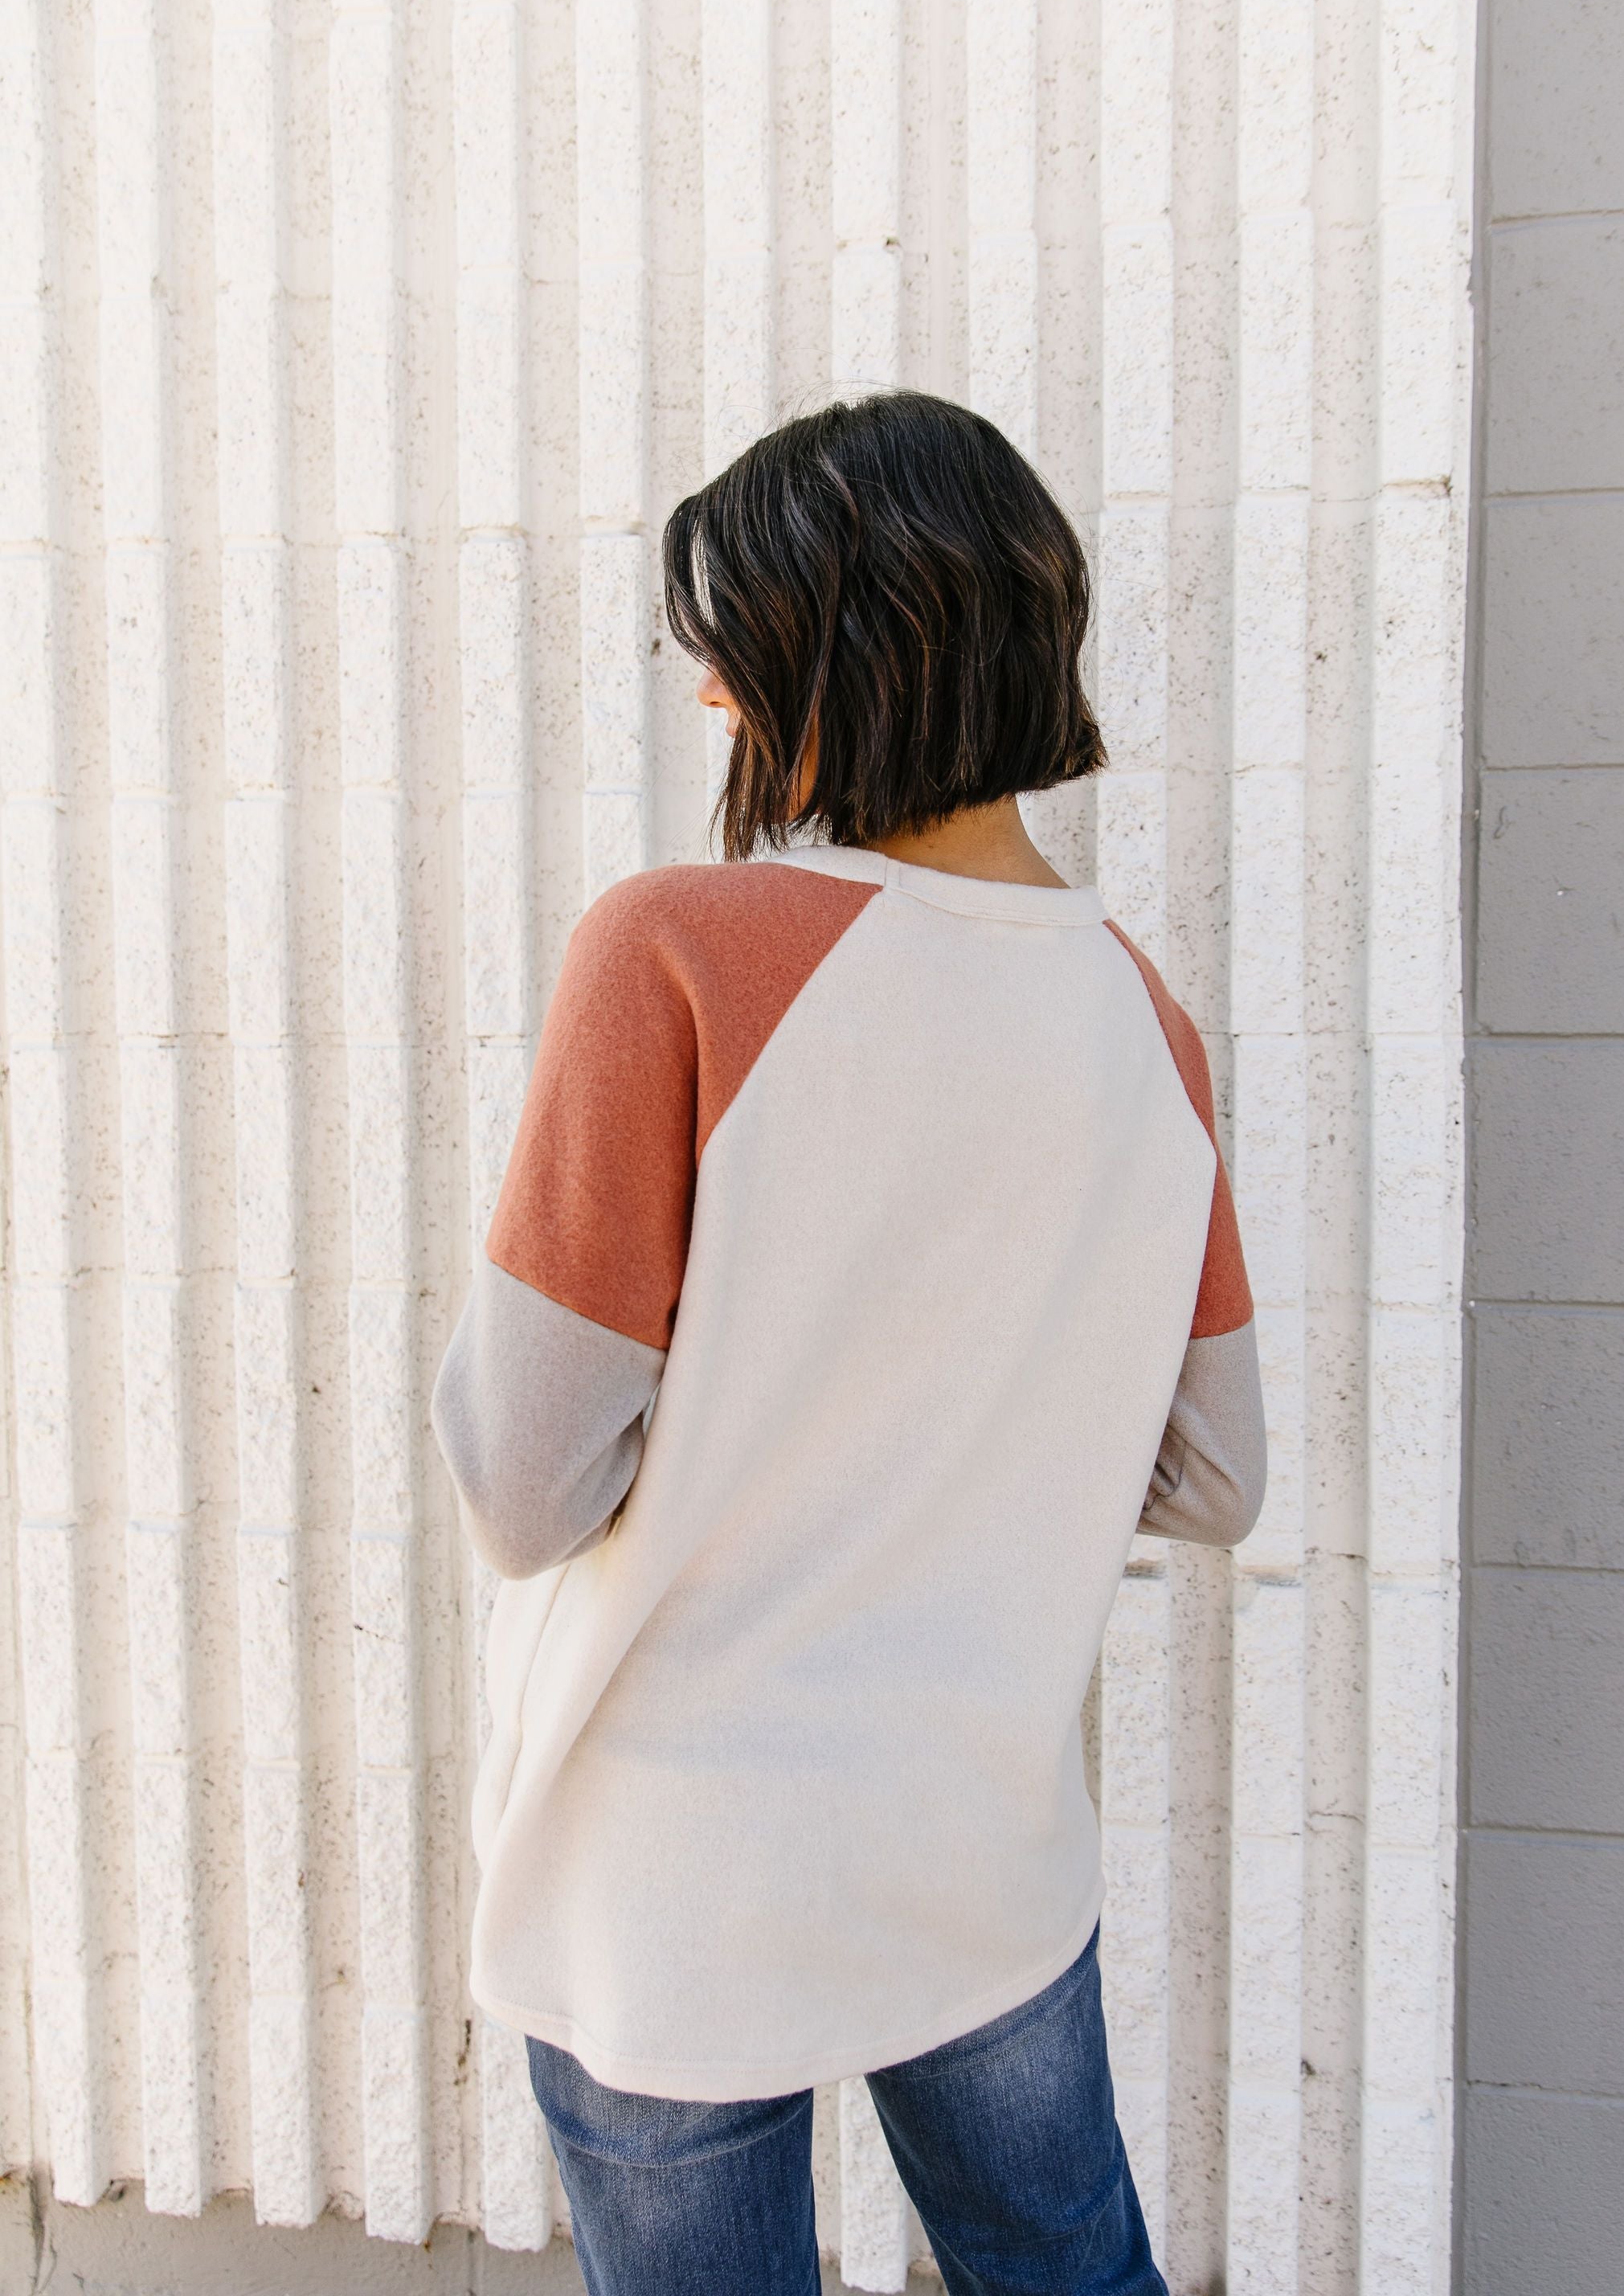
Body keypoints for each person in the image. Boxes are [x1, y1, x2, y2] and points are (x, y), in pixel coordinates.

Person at [431, 391, 1265, 2296]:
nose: (710, 699)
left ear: (853, 646)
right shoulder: (1145, 1022)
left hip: (675, 1867)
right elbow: (1217, 1477)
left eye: (732, 647)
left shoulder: (673, 952)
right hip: (977, 1839)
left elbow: (521, 1483)